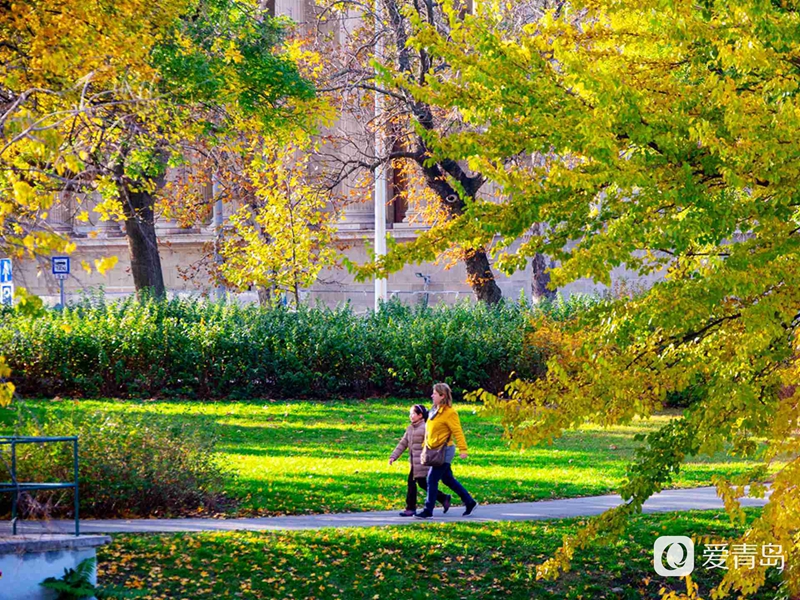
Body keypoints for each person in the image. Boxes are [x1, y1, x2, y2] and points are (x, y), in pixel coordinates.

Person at [415, 382, 477, 518]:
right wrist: (425, 445)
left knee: (431, 479)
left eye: (435, 393)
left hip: (444, 451)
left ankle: (428, 509)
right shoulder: (434, 411)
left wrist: (463, 449)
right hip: (434, 450)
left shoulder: (450, 413)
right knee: (448, 479)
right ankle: (469, 501)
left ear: (442, 396)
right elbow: (429, 430)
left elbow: (458, 432)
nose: (432, 395)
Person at [389, 404, 451, 516]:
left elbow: (432, 443)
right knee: (417, 484)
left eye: (413, 413)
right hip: (414, 463)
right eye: (410, 414)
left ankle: (413, 507)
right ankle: (442, 498)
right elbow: (403, 443)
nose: (411, 416)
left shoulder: (425, 428)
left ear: (420, 415)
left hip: (423, 462)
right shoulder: (410, 428)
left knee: (419, 483)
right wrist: (394, 456)